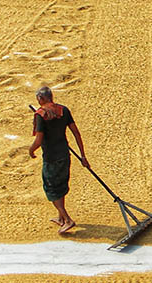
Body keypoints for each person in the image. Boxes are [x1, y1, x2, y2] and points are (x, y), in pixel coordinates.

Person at [28, 86, 89, 233]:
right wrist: (83, 156)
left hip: (51, 158)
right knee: (60, 186)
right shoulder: (64, 110)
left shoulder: (40, 115)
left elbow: (39, 139)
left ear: (41, 99)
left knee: (51, 189)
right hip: (64, 155)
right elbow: (76, 133)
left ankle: (67, 219)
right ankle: (60, 217)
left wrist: (31, 151)